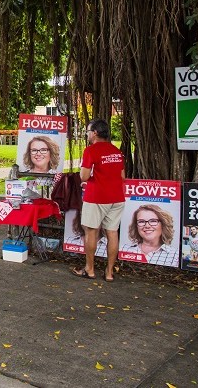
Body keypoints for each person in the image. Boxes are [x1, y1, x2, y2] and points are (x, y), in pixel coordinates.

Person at [71, 119, 125, 282]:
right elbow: (122, 176)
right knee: (112, 233)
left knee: (91, 232)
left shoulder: (91, 151)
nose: (87, 134)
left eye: (88, 131)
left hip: (97, 197)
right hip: (117, 198)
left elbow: (84, 176)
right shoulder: (116, 151)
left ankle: (90, 269)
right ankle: (109, 273)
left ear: (94, 133)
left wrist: (92, 177)